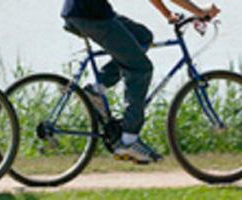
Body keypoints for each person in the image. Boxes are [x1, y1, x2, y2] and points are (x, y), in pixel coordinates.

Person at [61, 0, 220, 164]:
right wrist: (199, 11)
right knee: (141, 69)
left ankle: (96, 89)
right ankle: (129, 141)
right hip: (91, 15)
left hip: (87, 11)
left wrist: (168, 14)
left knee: (142, 37)